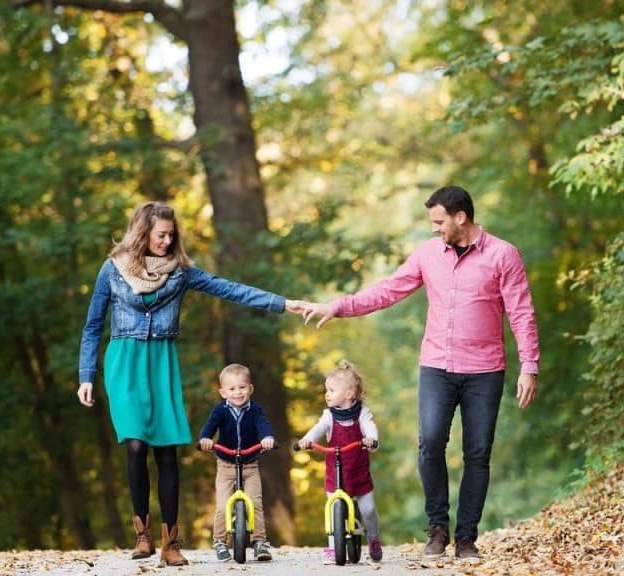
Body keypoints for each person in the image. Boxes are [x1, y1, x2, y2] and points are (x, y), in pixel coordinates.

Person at [301, 185, 539, 560]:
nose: (434, 228)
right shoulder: (429, 255)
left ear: (461, 217)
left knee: (478, 453)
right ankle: (437, 529)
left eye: (438, 221)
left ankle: (466, 539)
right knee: (430, 443)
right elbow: (389, 290)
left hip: (485, 370)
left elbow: (521, 312)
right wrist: (340, 306)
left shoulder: (503, 256)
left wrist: (530, 365)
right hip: (437, 367)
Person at [77, 201, 304, 566]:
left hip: (161, 363)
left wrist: (283, 304)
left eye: (171, 235)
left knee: (166, 450)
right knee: (135, 445)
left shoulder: (181, 273)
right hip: (124, 363)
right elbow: (92, 327)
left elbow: (230, 289)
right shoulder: (113, 270)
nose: (167, 241)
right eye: (160, 235)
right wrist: (86, 375)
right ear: (143, 233)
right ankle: (142, 534)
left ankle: (170, 542)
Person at [297, 360, 383, 564]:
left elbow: (370, 427)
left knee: (368, 510)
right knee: (332, 507)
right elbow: (318, 429)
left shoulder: (362, 413)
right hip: (335, 475)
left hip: (359, 473)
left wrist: (371, 439)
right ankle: (331, 549)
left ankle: (373, 539)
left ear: (349, 394)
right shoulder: (328, 416)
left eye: (331, 390)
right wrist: (308, 440)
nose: (326, 394)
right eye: (326, 390)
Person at [197, 363, 276, 562]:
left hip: (250, 465)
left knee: (255, 503)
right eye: (232, 389)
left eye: (242, 387)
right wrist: (205, 439)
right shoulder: (220, 411)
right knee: (223, 505)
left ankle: (259, 542)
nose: (238, 392)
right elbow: (209, 427)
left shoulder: (255, 409)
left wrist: (267, 438)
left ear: (250, 389)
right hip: (226, 465)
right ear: (223, 392)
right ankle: (220, 541)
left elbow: (263, 425)